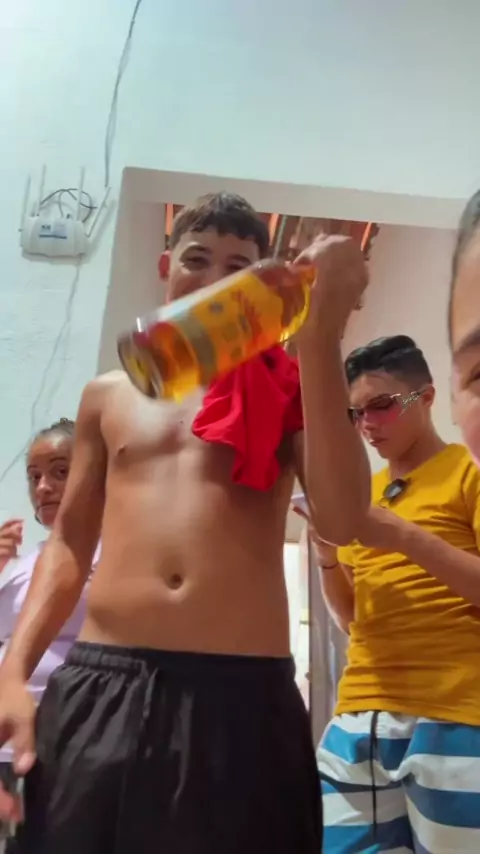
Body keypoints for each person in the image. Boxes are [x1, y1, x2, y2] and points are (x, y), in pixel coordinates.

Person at [0, 192, 370, 854]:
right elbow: (70, 545)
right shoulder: (107, 395)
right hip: (104, 684)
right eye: (197, 259)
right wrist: (11, 671)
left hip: (241, 697)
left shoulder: (290, 384)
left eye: (239, 269)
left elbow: (342, 520)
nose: (214, 281)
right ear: (166, 265)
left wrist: (321, 339)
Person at [315, 335, 480, 854]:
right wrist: (325, 554)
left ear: (426, 397)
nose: (367, 424)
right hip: (356, 716)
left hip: (456, 713)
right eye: (356, 413)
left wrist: (402, 536)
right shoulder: (362, 495)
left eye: (381, 405)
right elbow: (350, 620)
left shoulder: (468, 473)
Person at [0, 419, 98, 853]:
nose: (43, 487)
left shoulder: (119, 556)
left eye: (60, 471)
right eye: (34, 476)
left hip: (67, 750)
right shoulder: (21, 565)